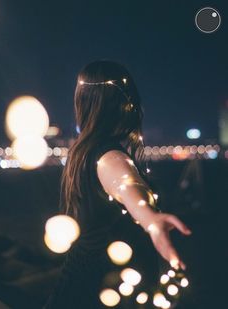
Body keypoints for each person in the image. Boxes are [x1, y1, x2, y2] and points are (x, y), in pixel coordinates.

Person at [43, 60, 192, 308]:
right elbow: (129, 188)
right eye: (129, 98)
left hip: (83, 279)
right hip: (107, 287)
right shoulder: (111, 158)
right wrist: (152, 221)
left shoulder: (82, 152)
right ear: (118, 104)